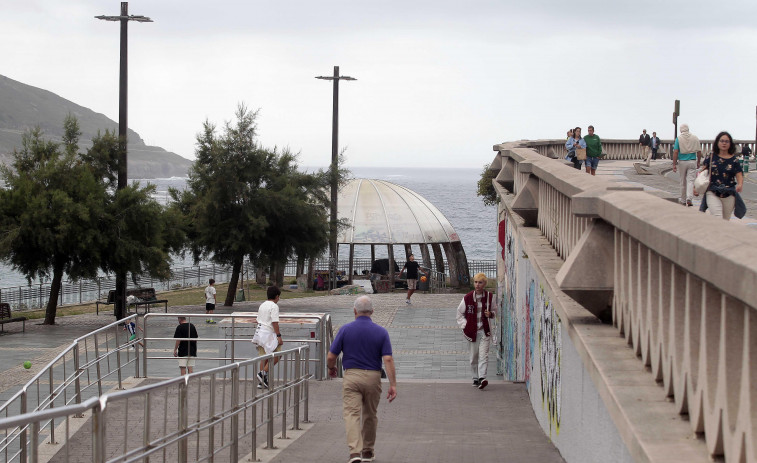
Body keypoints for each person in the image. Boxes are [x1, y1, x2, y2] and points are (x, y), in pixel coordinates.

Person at [327, 296, 397, 463]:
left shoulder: (345, 330)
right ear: (372, 312)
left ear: (354, 311)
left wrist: (331, 368)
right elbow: (387, 359)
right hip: (373, 376)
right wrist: (393, 385)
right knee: (370, 414)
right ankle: (368, 451)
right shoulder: (381, 332)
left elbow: (331, 356)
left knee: (352, 414)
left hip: (351, 376)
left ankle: (354, 452)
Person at [456, 273, 495, 390]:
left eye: (480, 282)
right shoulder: (467, 298)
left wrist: (491, 314)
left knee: (484, 355)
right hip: (472, 332)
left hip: (484, 331)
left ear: (484, 284)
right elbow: (459, 314)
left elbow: (495, 311)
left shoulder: (489, 297)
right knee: (474, 356)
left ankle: (482, 378)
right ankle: (475, 377)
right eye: (476, 282)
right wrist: (465, 326)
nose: (477, 285)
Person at [699, 131, 745, 220]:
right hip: (712, 191)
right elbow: (702, 172)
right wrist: (696, 187)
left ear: (730, 144)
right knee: (717, 218)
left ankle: (719, 234)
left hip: (729, 193)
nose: (724, 143)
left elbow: (739, 173)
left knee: (725, 220)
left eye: (726, 141)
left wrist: (740, 184)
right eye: (722, 141)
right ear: (717, 143)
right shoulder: (711, 157)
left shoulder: (734, 160)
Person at [252, 285, 283, 389]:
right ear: (276, 296)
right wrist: (279, 336)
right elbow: (275, 322)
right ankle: (262, 373)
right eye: (279, 297)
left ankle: (262, 381)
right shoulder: (274, 306)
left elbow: (257, 319)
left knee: (264, 356)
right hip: (268, 333)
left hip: (259, 332)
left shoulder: (262, 305)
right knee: (278, 355)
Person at [672, 124, 702, 207]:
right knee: (690, 181)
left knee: (683, 181)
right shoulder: (695, 138)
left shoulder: (679, 138)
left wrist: (674, 164)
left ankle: (683, 199)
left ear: (681, 130)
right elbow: (699, 151)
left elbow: (675, 151)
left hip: (682, 161)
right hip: (692, 161)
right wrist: (698, 161)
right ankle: (689, 198)